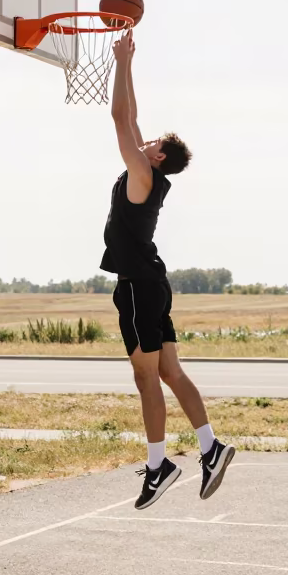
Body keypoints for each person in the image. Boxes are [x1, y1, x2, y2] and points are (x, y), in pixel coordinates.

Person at [101, 29, 234, 509]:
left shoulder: (142, 171)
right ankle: (210, 446)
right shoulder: (151, 174)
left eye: (152, 140)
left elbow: (120, 117)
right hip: (154, 282)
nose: (146, 136)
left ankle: (159, 466)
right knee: (172, 372)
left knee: (146, 377)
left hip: (138, 285)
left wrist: (118, 62)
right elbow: (133, 117)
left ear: (156, 155)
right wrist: (129, 62)